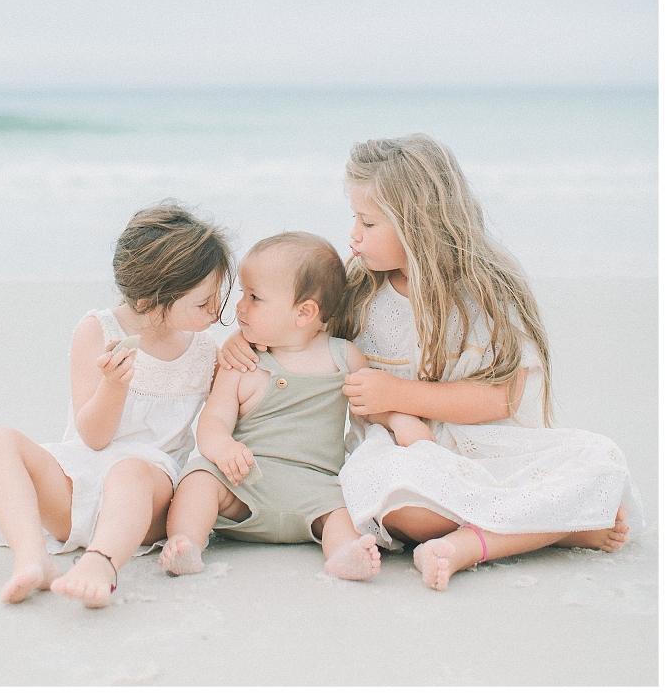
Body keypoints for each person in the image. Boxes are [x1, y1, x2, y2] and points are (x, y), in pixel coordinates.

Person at [221, 135, 643, 591]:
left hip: (481, 446)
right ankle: (555, 527)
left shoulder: (487, 292)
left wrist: (399, 393)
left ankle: (474, 543)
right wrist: (245, 341)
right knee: (406, 510)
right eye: (354, 218)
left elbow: (502, 399)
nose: (354, 234)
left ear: (418, 225)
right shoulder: (360, 290)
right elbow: (297, 332)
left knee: (601, 461)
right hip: (397, 452)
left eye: (368, 222)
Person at [0, 203, 233, 608]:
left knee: (129, 469)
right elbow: (94, 438)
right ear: (151, 301)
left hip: (147, 502)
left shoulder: (204, 351)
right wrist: (114, 386)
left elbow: (234, 413)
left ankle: (102, 563)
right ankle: (32, 558)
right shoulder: (97, 330)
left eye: (218, 297)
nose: (216, 311)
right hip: (78, 489)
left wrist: (248, 355)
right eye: (203, 304)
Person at [158, 232, 381, 582]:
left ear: (304, 312)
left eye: (254, 297)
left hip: (317, 491)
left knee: (345, 509)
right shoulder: (242, 362)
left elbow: (373, 412)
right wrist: (224, 448)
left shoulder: (345, 357)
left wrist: (401, 421)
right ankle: (186, 541)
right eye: (242, 293)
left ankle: (343, 553)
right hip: (245, 485)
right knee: (200, 478)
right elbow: (213, 419)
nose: (239, 306)